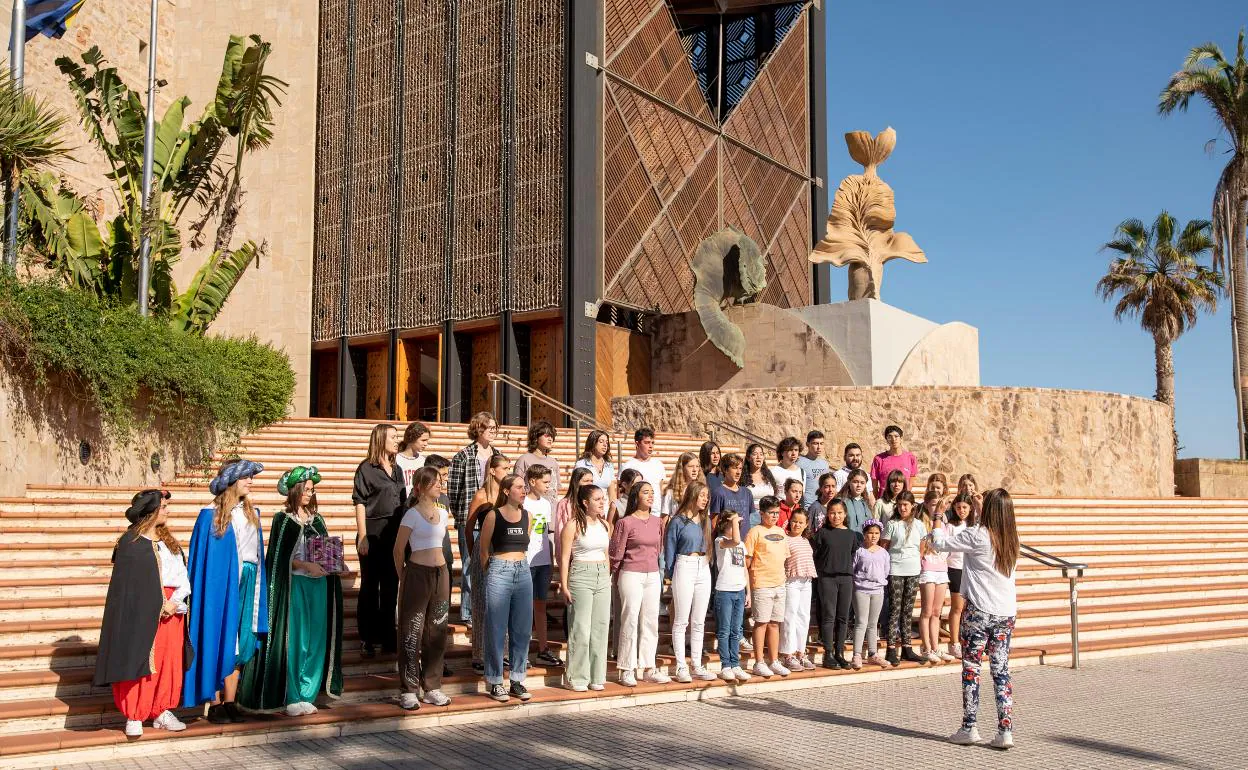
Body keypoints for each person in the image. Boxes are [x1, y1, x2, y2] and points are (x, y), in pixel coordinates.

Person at [238, 467, 344, 716]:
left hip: (319, 586)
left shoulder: (317, 520)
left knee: (316, 641)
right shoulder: (282, 520)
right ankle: (293, 694)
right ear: (295, 490)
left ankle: (308, 693)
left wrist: (335, 563)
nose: (310, 492)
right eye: (306, 489)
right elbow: (278, 557)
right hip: (295, 585)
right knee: (296, 640)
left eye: (312, 489)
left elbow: (326, 552)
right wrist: (305, 564)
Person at [95, 489, 190, 737]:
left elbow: (182, 578)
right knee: (141, 661)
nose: (168, 510)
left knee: (167, 663)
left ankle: (161, 711)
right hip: (142, 616)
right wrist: (157, 605)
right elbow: (126, 590)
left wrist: (174, 601)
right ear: (151, 510)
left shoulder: (170, 544)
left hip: (173, 612)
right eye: (164, 506)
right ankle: (135, 713)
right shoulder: (131, 544)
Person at [935, 488, 1020, 751]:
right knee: (1001, 671)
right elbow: (991, 526)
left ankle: (970, 726)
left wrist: (938, 515)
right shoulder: (1012, 538)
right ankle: (1005, 730)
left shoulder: (977, 535)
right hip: (1006, 613)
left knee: (972, 669)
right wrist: (984, 509)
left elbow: (939, 542)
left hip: (980, 612)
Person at [183, 459, 268, 723]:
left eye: (251, 477)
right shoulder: (210, 515)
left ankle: (230, 701)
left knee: (240, 641)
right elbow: (207, 561)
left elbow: (255, 553)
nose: (251, 481)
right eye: (246, 477)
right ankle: (215, 701)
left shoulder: (251, 512)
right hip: (223, 586)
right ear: (231, 481)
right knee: (221, 637)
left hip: (248, 582)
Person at [392, 467, 452, 709]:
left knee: (437, 630)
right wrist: (403, 576)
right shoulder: (411, 515)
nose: (440, 485)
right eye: (435, 482)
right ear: (421, 487)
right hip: (417, 572)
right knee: (411, 631)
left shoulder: (443, 513)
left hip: (441, 573)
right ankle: (408, 688)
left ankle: (432, 686)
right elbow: (398, 550)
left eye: (440, 481)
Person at [477, 474, 535, 703]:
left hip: (523, 570)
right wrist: (489, 574)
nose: (524, 491)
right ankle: (495, 681)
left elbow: (526, 543)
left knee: (521, 629)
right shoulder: (493, 515)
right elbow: (483, 549)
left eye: (525, 487)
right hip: (499, 569)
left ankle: (517, 680)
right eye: (519, 487)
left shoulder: (528, 516)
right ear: (506, 491)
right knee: (496, 628)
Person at [609, 481, 669, 686]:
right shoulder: (625, 522)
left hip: (652, 575)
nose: (651, 496)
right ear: (636, 496)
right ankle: (627, 668)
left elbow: (658, 550)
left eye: (653, 493)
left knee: (651, 621)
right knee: (630, 620)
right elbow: (616, 553)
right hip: (630, 574)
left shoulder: (657, 522)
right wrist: (615, 577)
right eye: (646, 492)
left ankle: (649, 667)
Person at [352, 424, 404, 658]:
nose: (397, 440)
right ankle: (368, 637)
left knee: (391, 586)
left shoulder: (397, 468)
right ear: (380, 439)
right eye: (393, 436)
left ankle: (387, 636)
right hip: (372, 532)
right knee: (370, 587)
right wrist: (363, 536)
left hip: (393, 534)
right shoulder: (366, 468)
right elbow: (360, 502)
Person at [449, 412, 502, 626]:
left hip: (492, 516)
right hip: (469, 516)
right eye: (489, 428)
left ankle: (487, 607)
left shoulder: (498, 454)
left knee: (490, 563)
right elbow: (453, 490)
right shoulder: (464, 455)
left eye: (495, 428)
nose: (493, 432)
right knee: (470, 564)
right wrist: (462, 515)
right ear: (478, 429)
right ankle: (468, 612)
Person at [559, 484, 613, 692]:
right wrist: (564, 585)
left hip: (602, 576)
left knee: (600, 628)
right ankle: (577, 677)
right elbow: (564, 558)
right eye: (598, 499)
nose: (602, 502)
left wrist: (607, 576)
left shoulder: (605, 526)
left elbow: (606, 555)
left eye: (603, 499)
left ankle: (597, 676)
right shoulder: (573, 525)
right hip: (581, 574)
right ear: (585, 502)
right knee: (580, 628)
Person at [664, 481, 715, 683]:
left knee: (699, 620)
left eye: (706, 496)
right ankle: (681, 665)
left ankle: (696, 664)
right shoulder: (677, 521)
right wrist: (668, 573)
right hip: (684, 564)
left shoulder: (705, 520)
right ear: (692, 495)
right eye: (702, 495)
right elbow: (669, 548)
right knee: (681, 619)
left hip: (703, 565)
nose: (705, 499)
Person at [465, 453, 510, 673]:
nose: (508, 472)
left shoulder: (508, 494)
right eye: (504, 468)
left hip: (503, 551)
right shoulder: (482, 495)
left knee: (502, 603)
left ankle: (502, 652)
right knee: (482, 603)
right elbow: (468, 526)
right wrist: (473, 550)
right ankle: (479, 653)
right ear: (492, 470)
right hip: (483, 551)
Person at [744, 496, 789, 678]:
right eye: (771, 513)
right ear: (761, 513)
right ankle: (759, 662)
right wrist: (748, 588)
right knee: (761, 623)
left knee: (774, 624)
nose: (774, 516)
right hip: (761, 584)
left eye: (777, 512)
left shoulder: (781, 531)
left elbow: (784, 557)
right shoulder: (754, 532)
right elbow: (746, 562)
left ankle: (774, 660)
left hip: (779, 583)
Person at [881, 490, 926, 666]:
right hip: (896, 569)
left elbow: (922, 546)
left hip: (913, 570)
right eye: (899, 505)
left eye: (905, 505)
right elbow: (884, 547)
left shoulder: (919, 524)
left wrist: (916, 562)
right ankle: (891, 648)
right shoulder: (892, 524)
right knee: (895, 609)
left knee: (907, 610)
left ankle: (907, 647)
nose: (902, 508)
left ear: (912, 506)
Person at [524, 465, 562, 669]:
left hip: (543, 561)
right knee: (523, 607)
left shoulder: (546, 504)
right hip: (526, 560)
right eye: (545, 482)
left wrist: (550, 558)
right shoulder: (523, 502)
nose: (549, 486)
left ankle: (543, 649)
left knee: (540, 604)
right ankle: (521, 649)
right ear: (532, 481)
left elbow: (546, 532)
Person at [812, 499, 855, 669]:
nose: (836, 516)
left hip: (846, 579)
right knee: (829, 616)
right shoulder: (822, 533)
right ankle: (828, 654)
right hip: (827, 578)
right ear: (827, 514)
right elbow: (817, 554)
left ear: (845, 514)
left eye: (839, 512)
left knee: (843, 617)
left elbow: (852, 553)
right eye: (832, 512)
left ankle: (840, 652)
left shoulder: (851, 535)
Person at [712, 510, 751, 682]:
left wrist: (748, 591)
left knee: (736, 631)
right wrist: (734, 520)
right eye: (734, 523)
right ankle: (725, 665)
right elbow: (734, 540)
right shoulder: (720, 541)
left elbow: (744, 569)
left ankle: (736, 664)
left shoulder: (741, 545)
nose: (737, 525)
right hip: (724, 590)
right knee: (724, 630)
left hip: (739, 590)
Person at [918, 489, 955, 664]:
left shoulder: (945, 523)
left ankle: (935, 647)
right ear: (926, 504)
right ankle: (926, 648)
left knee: (936, 612)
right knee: (926, 611)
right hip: (928, 568)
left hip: (942, 569)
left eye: (939, 505)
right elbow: (922, 549)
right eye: (933, 505)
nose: (936, 508)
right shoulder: (922, 523)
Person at [779, 511, 816, 672]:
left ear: (806, 524)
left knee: (803, 617)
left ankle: (801, 651)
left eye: (801, 522)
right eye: (794, 521)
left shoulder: (805, 540)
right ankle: (788, 654)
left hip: (806, 581)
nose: (797, 525)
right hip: (791, 581)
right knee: (790, 616)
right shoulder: (785, 539)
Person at [850, 519, 890, 669]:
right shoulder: (860, 551)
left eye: (876, 533)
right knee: (861, 622)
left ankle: (873, 653)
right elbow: (853, 568)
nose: (873, 536)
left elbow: (886, 571)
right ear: (864, 534)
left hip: (878, 591)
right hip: (861, 590)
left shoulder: (884, 553)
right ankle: (857, 654)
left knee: (873, 624)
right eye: (870, 533)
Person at [946, 492, 976, 658]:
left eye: (964, 507)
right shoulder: (951, 526)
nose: (961, 510)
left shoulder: (973, 526)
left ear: (970, 508)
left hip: (971, 569)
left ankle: (967, 640)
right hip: (955, 568)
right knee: (957, 607)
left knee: (969, 608)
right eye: (958, 507)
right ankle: (954, 642)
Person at [514, 420, 561, 504]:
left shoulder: (553, 462)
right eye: (546, 435)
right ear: (536, 437)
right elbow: (516, 487)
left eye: (552, 436)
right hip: (530, 509)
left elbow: (556, 490)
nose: (550, 439)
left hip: (551, 511)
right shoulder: (524, 460)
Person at [622, 427, 666, 516]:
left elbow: (660, 490)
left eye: (652, 443)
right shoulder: (627, 465)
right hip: (636, 513)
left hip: (656, 513)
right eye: (646, 443)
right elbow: (621, 492)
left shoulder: (659, 465)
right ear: (637, 444)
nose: (651, 446)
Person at [553, 466, 593, 558]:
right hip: (573, 555)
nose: (589, 484)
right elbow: (560, 533)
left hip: (591, 554)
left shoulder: (594, 502)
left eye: (591, 481)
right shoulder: (564, 504)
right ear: (576, 482)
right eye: (586, 481)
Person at [712, 453, 757, 534]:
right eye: (735, 468)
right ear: (725, 470)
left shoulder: (747, 492)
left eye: (740, 468)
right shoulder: (718, 493)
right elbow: (714, 524)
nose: (738, 472)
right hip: (727, 543)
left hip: (745, 542)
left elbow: (752, 520)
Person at [870, 425, 918, 497]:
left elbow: (911, 479)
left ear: (901, 438)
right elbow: (874, 484)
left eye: (896, 436)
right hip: (885, 500)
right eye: (890, 437)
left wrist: (905, 496)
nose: (893, 439)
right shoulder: (878, 459)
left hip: (903, 500)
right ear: (886, 440)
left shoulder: (910, 458)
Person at [574, 429, 617, 500]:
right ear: (593, 443)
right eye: (601, 442)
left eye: (606, 442)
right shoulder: (582, 464)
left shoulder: (609, 465)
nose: (605, 445)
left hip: (604, 507)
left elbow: (612, 494)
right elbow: (576, 489)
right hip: (586, 505)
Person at [662, 451, 701, 519]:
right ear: (682, 468)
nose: (695, 470)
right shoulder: (671, 492)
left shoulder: (701, 490)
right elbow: (664, 518)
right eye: (691, 466)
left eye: (697, 466)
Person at [796, 430, 830, 509]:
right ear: (808, 444)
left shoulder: (825, 464)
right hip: (806, 507)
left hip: (822, 507)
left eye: (821, 443)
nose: (819, 447)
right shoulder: (799, 463)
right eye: (815, 443)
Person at [395, 421, 431, 492]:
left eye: (427, 440)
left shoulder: (423, 461)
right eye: (423, 440)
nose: (426, 444)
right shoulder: (396, 459)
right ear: (412, 438)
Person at [837, 469, 872, 537]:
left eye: (862, 483)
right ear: (849, 482)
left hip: (863, 543)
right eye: (855, 482)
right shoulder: (841, 502)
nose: (859, 485)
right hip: (846, 541)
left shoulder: (866, 503)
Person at [744, 443, 778, 510]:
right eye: (755, 454)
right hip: (751, 515)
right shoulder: (742, 477)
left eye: (761, 454)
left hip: (769, 515)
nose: (758, 457)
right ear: (748, 458)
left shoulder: (768, 475)